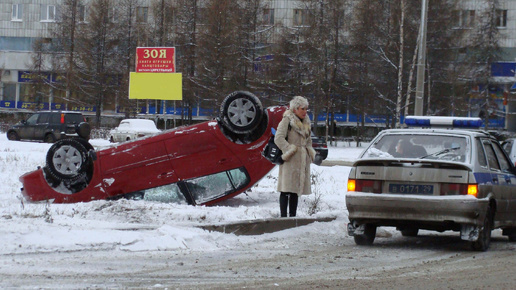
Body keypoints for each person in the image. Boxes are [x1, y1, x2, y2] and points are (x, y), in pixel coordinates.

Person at [274, 96, 316, 217]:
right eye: (302, 109)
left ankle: (292, 217)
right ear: (295, 109)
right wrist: (290, 150)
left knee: (296, 190)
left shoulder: (306, 121)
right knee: (285, 188)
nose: (305, 111)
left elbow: (308, 140)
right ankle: (283, 217)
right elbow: (278, 138)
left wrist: (310, 152)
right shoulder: (287, 120)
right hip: (289, 159)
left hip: (302, 160)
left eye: (306, 109)